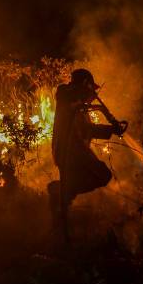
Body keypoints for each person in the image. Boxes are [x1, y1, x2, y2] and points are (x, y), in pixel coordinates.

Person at [47, 69, 126, 240]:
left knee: (100, 176)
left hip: (78, 153)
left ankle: (61, 195)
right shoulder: (65, 94)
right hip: (68, 152)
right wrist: (82, 97)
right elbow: (66, 95)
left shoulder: (80, 108)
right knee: (102, 174)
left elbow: (88, 130)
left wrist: (112, 129)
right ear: (84, 85)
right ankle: (60, 197)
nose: (93, 94)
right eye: (91, 88)